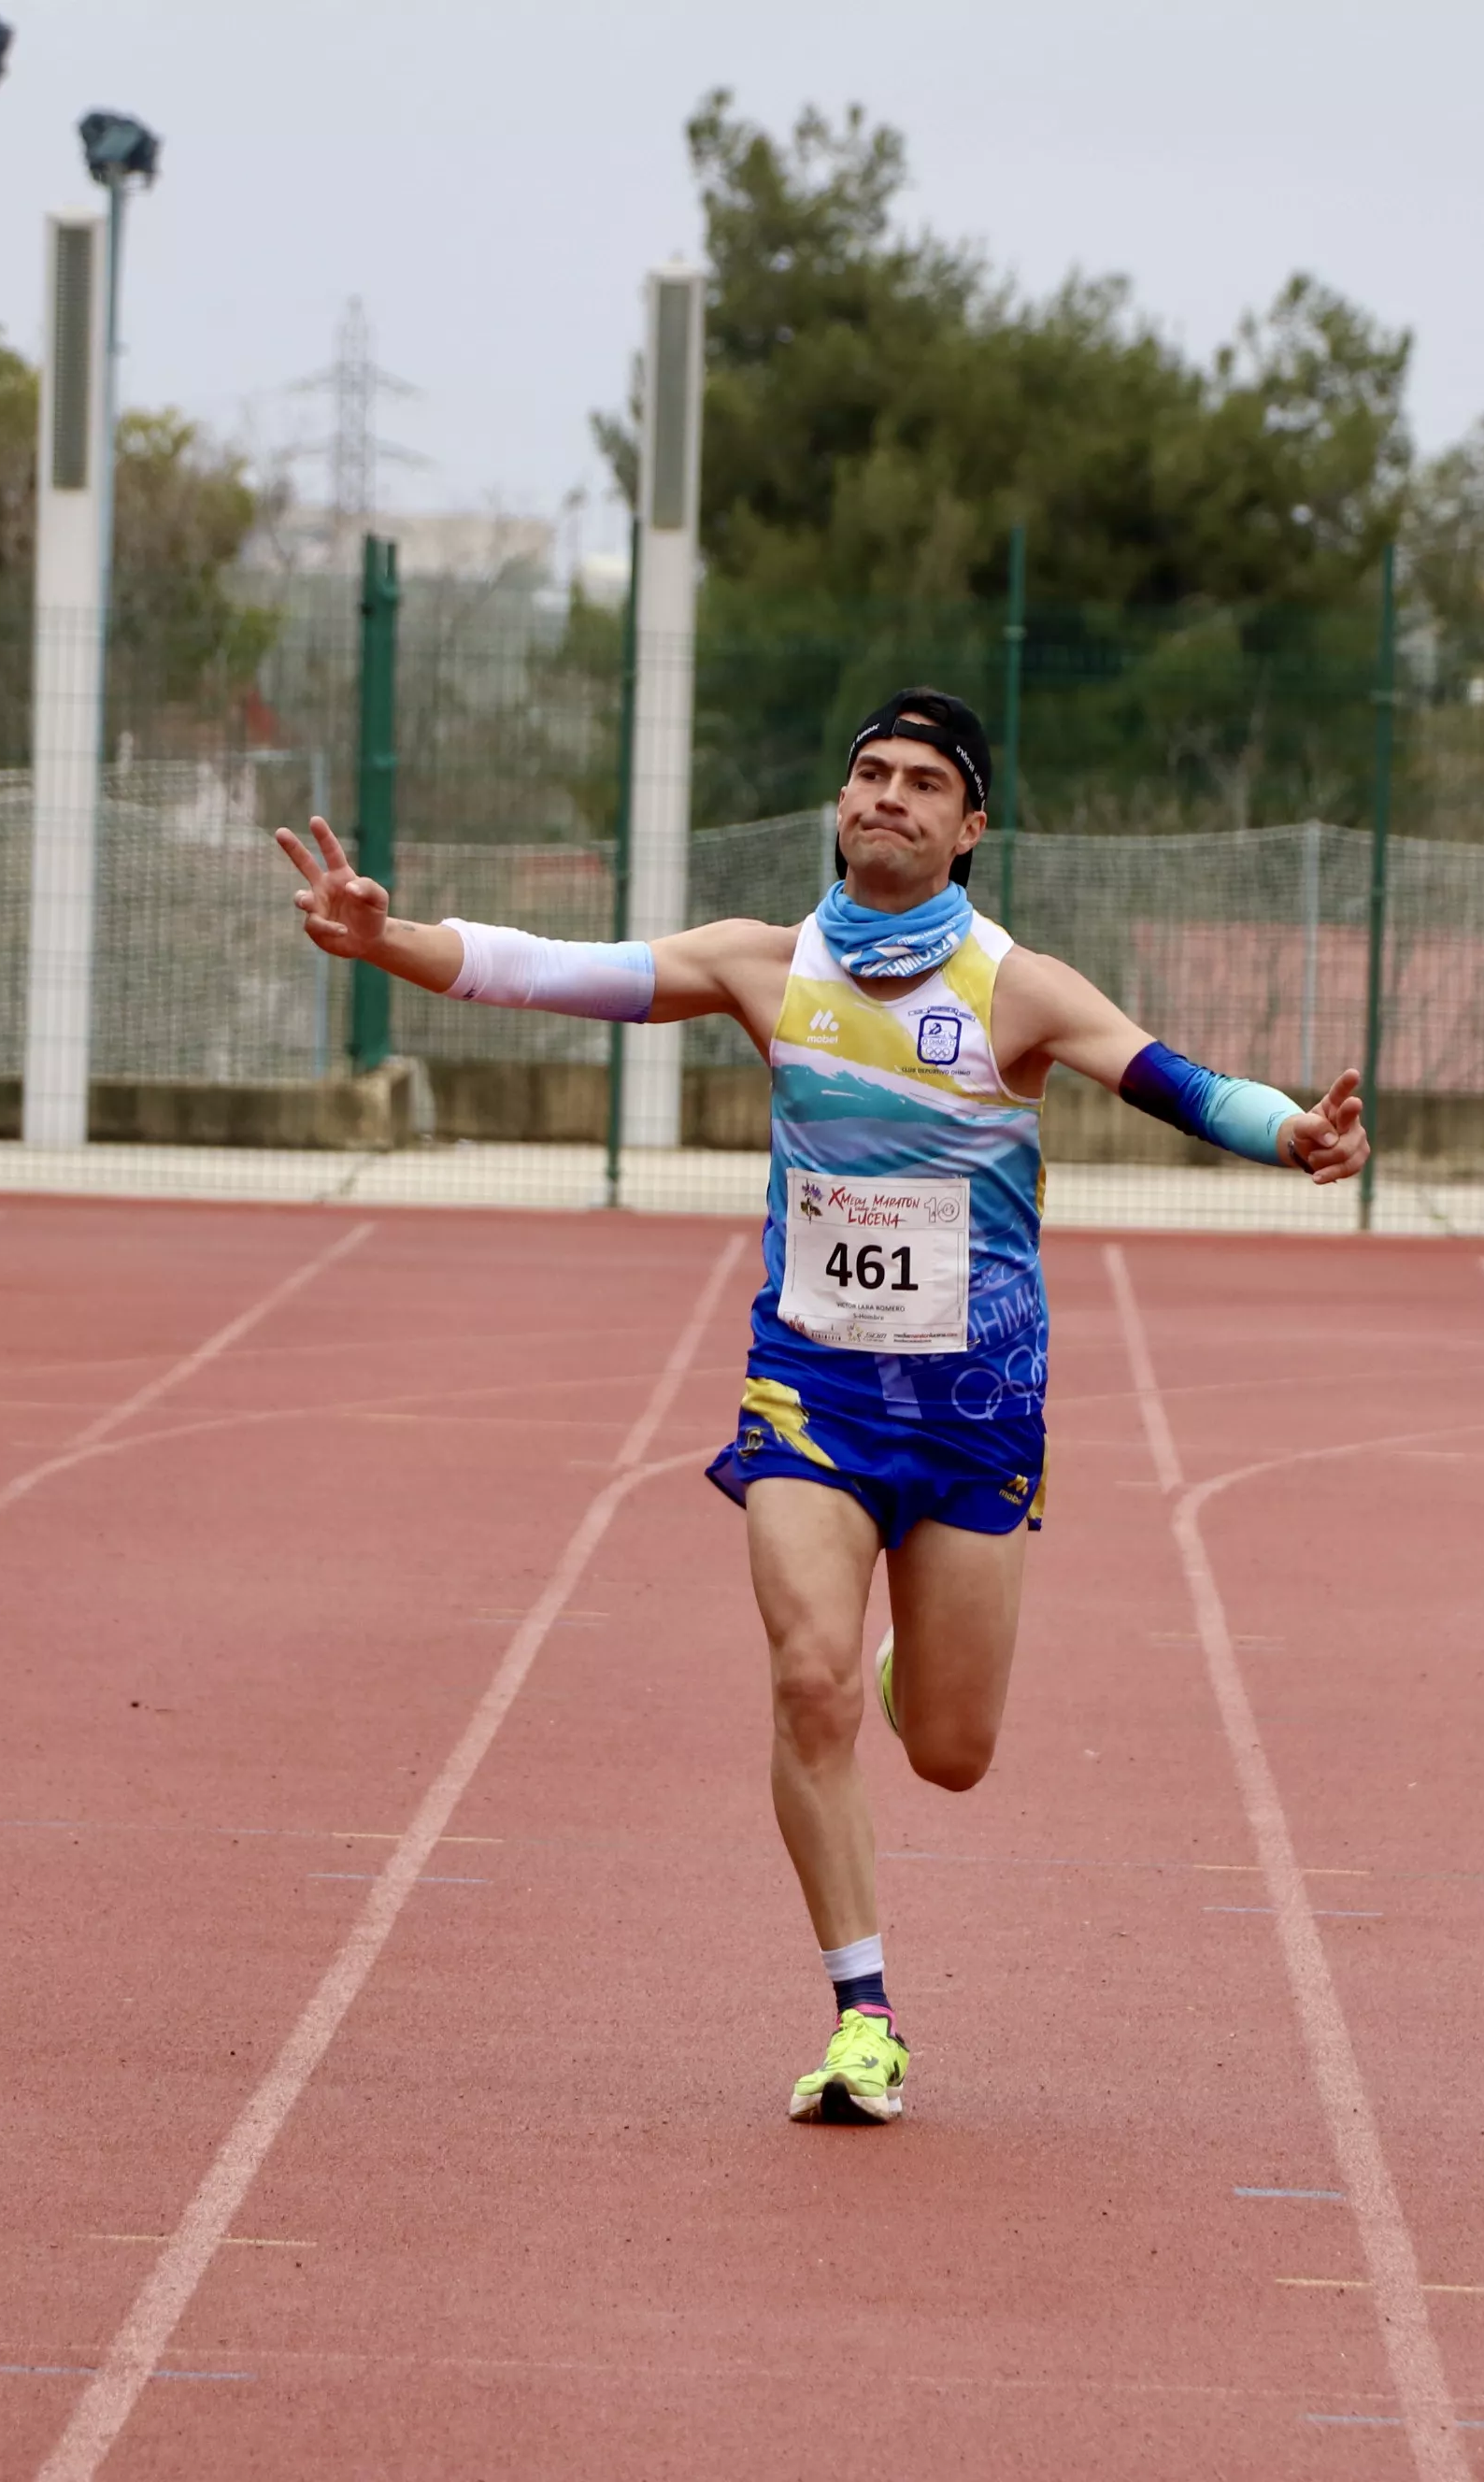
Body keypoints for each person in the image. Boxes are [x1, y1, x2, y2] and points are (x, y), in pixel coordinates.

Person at [275, 688, 1366, 2124]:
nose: (890, 796)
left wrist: (1286, 1130)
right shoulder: (762, 966)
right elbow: (547, 969)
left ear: (972, 827)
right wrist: (385, 942)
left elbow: (1168, 1077)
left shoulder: (1015, 987)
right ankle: (865, 2015)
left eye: (925, 781)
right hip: (814, 1383)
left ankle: (921, 1669)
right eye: (869, 772)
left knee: (954, 1757)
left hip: (977, 1403)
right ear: (838, 806)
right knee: (807, 1679)